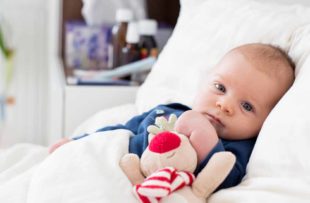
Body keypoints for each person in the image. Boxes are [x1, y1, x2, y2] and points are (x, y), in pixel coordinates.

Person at [49, 43, 295, 190]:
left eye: (247, 106)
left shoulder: (236, 150)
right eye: (220, 88)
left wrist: (204, 136)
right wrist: (79, 142)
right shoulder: (169, 110)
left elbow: (224, 179)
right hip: (113, 165)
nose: (224, 105)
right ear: (203, 83)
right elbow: (121, 130)